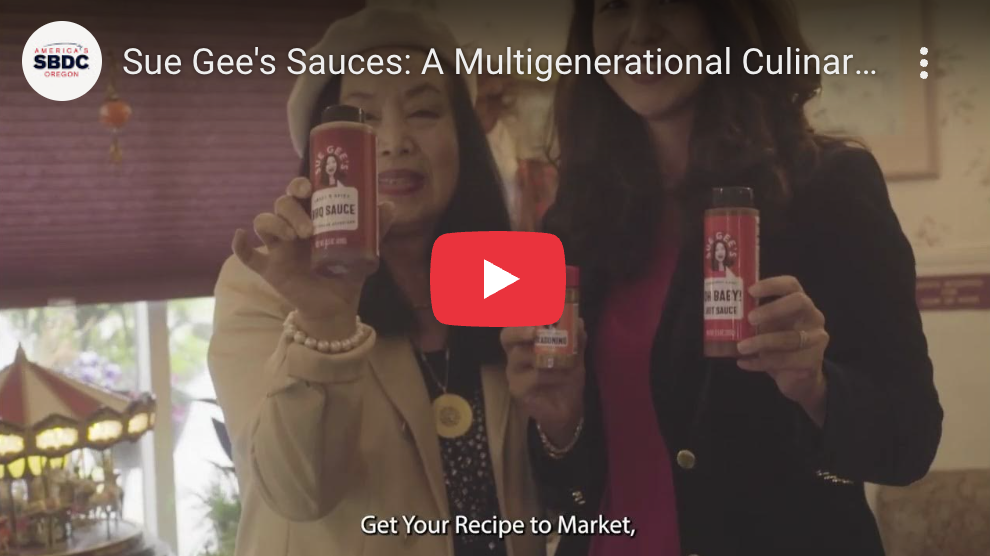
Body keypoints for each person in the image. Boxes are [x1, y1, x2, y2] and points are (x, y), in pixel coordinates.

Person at [501, 1, 943, 555]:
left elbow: (910, 441)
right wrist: (561, 424)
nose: (640, 31)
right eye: (614, 5)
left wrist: (818, 389)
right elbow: (566, 491)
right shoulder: (576, 217)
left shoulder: (827, 186)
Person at [208, 8, 544, 556]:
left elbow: (549, 481)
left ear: (463, 137)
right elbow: (297, 491)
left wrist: (563, 422)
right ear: (324, 157)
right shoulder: (265, 285)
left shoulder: (508, 273)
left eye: (424, 111)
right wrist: (324, 323)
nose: (393, 140)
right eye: (360, 119)